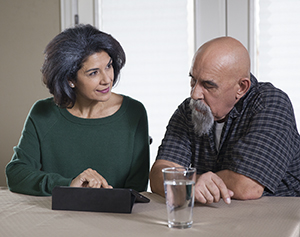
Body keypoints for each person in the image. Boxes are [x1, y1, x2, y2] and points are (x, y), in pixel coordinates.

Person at [150, 36, 300, 204]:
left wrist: (184, 181)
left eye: (208, 85)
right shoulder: (189, 109)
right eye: (193, 80)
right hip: (216, 220)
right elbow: (158, 175)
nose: (194, 94)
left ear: (241, 87)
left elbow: (247, 186)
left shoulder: (271, 103)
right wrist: (194, 182)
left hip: (277, 221)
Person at [6, 24, 150, 196]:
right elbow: (16, 174)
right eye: (93, 73)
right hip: (55, 217)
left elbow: (137, 187)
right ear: (70, 79)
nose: (107, 79)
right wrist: (67, 185)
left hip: (117, 217)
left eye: (108, 66)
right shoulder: (43, 113)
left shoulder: (134, 112)